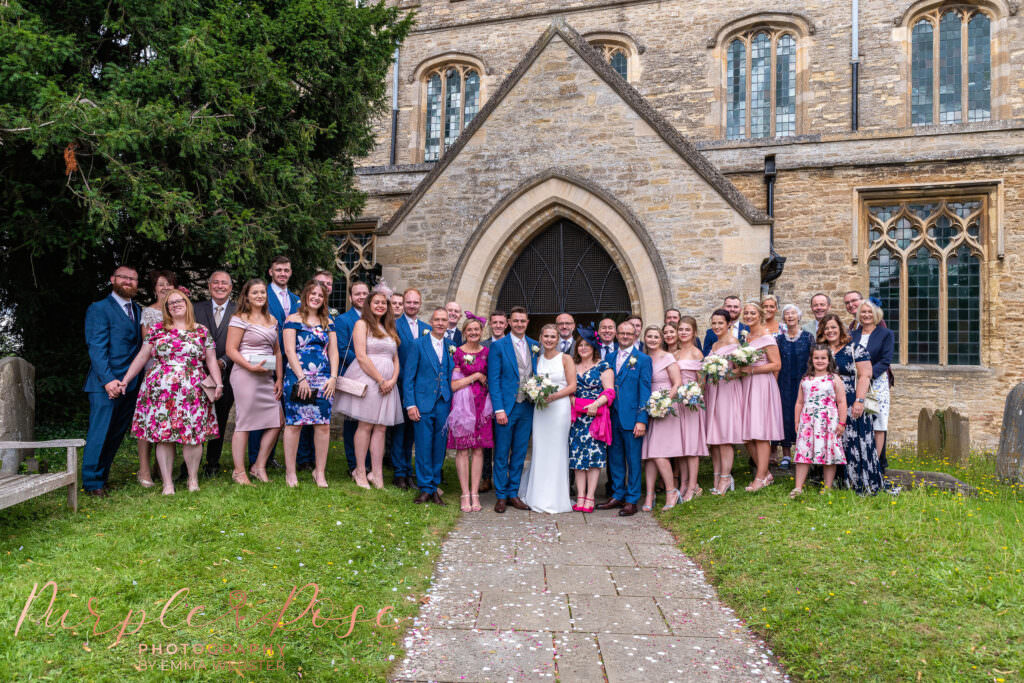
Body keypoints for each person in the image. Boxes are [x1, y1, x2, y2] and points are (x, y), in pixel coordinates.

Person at [120, 291, 222, 495]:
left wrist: (218, 383)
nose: (175, 305)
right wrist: (125, 380)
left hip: (193, 389)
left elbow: (211, 359)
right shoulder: (157, 330)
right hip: (161, 390)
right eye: (170, 303)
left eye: (179, 301)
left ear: (187, 304)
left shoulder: (201, 331)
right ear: (166, 308)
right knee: (164, 435)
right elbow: (142, 356)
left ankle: (193, 479)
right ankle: (168, 483)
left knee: (193, 435)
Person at [82, 266, 144, 497]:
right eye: (123, 278)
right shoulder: (99, 309)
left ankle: (102, 476)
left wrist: (128, 380)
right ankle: (91, 482)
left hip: (129, 383)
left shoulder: (137, 310)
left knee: (115, 433)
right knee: (100, 432)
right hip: (104, 384)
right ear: (112, 280)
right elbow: (96, 348)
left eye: (133, 279)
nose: (128, 282)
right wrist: (108, 381)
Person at [335, 286, 403, 489]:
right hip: (368, 378)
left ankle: (377, 472)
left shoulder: (390, 327)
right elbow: (361, 356)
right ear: (369, 305)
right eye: (376, 302)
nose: (380, 306)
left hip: (388, 383)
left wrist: (392, 380)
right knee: (365, 425)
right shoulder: (362, 324)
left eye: (384, 303)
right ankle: (360, 470)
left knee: (381, 427)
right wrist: (380, 380)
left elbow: (395, 358)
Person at [225, 279, 283, 486]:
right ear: (247, 296)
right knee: (245, 423)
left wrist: (279, 378)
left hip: (266, 375)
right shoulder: (239, 318)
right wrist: (249, 367)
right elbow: (231, 349)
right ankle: (239, 471)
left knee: (277, 420)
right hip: (245, 374)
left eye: (262, 292)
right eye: (255, 292)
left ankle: (258, 466)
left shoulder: (272, 320)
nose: (260, 295)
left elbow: (276, 351)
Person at [282, 281, 339, 488]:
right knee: (294, 425)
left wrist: (333, 377)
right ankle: (291, 473)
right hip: (298, 378)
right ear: (305, 295)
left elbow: (333, 351)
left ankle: (320, 472)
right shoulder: (293, 320)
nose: (316, 297)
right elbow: (289, 351)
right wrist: (301, 378)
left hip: (323, 379)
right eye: (313, 294)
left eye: (320, 295)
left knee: (323, 425)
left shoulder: (328, 321)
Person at [818, 314, 882, 494]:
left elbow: (865, 375)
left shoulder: (855, 349)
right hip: (827, 404)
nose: (830, 331)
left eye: (833, 327)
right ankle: (833, 482)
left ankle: (856, 481)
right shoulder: (820, 350)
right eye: (826, 328)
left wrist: (860, 401)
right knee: (832, 440)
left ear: (841, 329)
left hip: (851, 400)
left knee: (852, 441)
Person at [248, 255, 300, 468]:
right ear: (270, 272)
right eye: (278, 270)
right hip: (266, 356)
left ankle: (269, 457)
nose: (282, 274)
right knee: (262, 407)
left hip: (292, 359)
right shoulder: (262, 295)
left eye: (286, 270)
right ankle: (255, 459)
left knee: (284, 410)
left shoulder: (297, 299)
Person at [520, 324, 576, 513]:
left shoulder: (565, 358)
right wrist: (535, 392)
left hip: (559, 409)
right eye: (546, 336)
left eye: (553, 336)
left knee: (557, 449)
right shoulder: (537, 359)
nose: (549, 340)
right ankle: (537, 495)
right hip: (541, 410)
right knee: (541, 448)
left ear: (558, 339)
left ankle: (556, 497)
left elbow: (572, 386)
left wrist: (553, 396)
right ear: (541, 337)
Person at [597, 321, 652, 517]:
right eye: (622, 333)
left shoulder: (643, 359)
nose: (625, 336)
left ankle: (631, 499)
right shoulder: (610, 357)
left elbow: (645, 391)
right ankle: (617, 494)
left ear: (635, 335)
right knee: (615, 458)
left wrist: (642, 419)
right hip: (612, 417)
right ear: (617, 335)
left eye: (629, 333)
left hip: (632, 418)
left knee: (633, 460)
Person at [487, 306, 538, 513]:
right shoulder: (499, 346)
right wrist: (498, 409)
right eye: (515, 321)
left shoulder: (535, 346)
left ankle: (513, 492)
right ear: (509, 322)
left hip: (527, 407)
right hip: (507, 407)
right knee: (501, 452)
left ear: (527, 323)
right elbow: (494, 379)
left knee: (519, 452)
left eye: (522, 321)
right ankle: (500, 495)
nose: (519, 324)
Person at [404, 308, 455, 505]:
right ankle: (425, 488)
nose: (441, 323)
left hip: (444, 403)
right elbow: (409, 378)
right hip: (423, 403)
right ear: (431, 322)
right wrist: (410, 404)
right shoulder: (418, 345)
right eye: (437, 319)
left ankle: (434, 487)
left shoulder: (452, 346)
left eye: (444, 320)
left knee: (439, 447)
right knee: (424, 446)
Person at [446, 314, 493, 512]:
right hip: (462, 408)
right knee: (463, 450)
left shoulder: (488, 353)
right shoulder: (456, 353)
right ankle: (464, 492)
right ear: (464, 332)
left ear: (482, 332)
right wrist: (474, 376)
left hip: (482, 406)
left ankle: (475, 492)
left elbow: (492, 380)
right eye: (470, 330)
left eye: (477, 330)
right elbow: (454, 385)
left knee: (479, 449)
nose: (474, 333)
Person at [192, 270, 236, 478]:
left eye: (224, 283)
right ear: (209, 286)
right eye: (216, 282)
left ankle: (212, 463)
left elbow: (242, 342)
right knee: (195, 418)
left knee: (220, 417)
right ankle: (190, 464)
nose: (220, 286)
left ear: (230, 287)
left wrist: (223, 362)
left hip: (227, 373)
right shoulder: (195, 309)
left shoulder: (238, 311)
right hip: (197, 373)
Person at [737, 302, 784, 492]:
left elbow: (776, 365)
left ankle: (759, 477)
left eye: (752, 313)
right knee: (747, 435)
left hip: (762, 385)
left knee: (760, 432)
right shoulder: (746, 337)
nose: (748, 316)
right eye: (746, 313)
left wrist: (752, 370)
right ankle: (766, 474)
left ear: (760, 315)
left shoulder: (767, 337)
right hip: (747, 385)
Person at [136, 269, 177, 487]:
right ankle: (144, 469)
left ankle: (163, 467)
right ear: (154, 288)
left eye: (169, 284)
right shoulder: (149, 313)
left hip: (177, 373)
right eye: (161, 284)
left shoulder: (180, 312)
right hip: (155, 369)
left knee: (171, 418)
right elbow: (148, 346)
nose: (165, 288)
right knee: (149, 418)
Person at [790, 345, 847, 497]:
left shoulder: (834, 378)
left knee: (829, 453)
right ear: (811, 359)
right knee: (803, 452)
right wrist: (797, 421)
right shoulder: (805, 379)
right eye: (816, 358)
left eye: (823, 358)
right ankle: (798, 487)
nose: (820, 361)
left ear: (829, 360)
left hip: (828, 421)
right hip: (807, 421)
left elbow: (841, 402)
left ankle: (827, 487)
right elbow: (799, 402)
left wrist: (842, 422)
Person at [569, 326, 614, 513]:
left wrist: (596, 404)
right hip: (577, 419)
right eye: (580, 345)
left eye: (587, 345)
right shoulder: (572, 365)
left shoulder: (603, 366)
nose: (583, 348)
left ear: (594, 347)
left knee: (594, 459)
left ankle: (590, 497)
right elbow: (568, 387)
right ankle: (580, 496)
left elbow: (610, 391)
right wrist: (571, 400)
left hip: (595, 418)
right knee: (578, 459)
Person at [640, 326, 684, 511]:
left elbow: (677, 383)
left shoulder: (667, 357)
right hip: (648, 408)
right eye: (649, 336)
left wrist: (664, 402)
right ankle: (649, 496)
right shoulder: (642, 358)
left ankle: (671, 491)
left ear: (661, 339)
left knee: (658, 452)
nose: (652, 339)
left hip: (665, 408)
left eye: (656, 336)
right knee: (649, 454)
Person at [392, 287, 429, 490]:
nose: (412, 305)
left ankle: (409, 470)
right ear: (403, 303)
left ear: (420, 304)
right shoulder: (394, 325)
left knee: (413, 432)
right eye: (409, 302)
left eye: (416, 302)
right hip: (400, 383)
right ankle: (399, 473)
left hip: (420, 387)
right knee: (400, 429)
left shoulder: (426, 327)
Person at [704, 309, 743, 495]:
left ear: (728, 323)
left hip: (728, 390)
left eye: (720, 323)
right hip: (714, 390)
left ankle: (726, 477)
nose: (717, 326)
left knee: (725, 436)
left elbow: (740, 370)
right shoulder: (714, 344)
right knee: (715, 437)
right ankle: (717, 475)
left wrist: (723, 372)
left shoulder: (734, 343)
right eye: (714, 323)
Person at [850, 301, 894, 464]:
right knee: (858, 421)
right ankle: (858, 460)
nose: (866, 315)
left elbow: (885, 360)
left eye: (869, 312)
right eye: (863, 312)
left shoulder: (886, 334)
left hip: (876, 384)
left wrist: (867, 375)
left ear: (876, 314)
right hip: (855, 383)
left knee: (877, 422)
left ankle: (874, 463)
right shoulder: (852, 335)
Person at [335, 280, 371, 476]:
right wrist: (365, 363)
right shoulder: (343, 320)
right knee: (353, 420)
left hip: (373, 377)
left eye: (365, 293)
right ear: (350, 297)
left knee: (369, 420)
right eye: (357, 294)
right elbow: (342, 350)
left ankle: (368, 461)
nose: (361, 297)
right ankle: (354, 464)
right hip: (354, 376)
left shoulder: (376, 319)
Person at [672, 316, 708, 501]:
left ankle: (693, 486)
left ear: (694, 332)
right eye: (680, 329)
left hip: (692, 404)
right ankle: (684, 483)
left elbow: (702, 383)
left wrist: (692, 396)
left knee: (692, 445)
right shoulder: (675, 354)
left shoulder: (697, 354)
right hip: (678, 403)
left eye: (687, 330)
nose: (683, 333)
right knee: (682, 445)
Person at [776, 304, 815, 468]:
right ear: (784, 318)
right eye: (787, 314)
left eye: (793, 313)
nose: (790, 316)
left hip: (803, 381)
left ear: (799, 316)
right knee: (785, 416)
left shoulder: (808, 337)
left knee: (803, 416)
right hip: (784, 383)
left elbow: (813, 360)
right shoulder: (779, 339)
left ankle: (803, 452)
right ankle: (786, 455)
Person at [479, 309, 508, 494]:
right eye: (494, 322)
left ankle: (501, 477)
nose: (497, 326)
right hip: (482, 398)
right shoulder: (482, 346)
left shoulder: (510, 344)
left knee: (502, 441)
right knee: (485, 439)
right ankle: (485, 477)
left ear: (506, 324)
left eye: (501, 323)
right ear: (490, 324)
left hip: (503, 399)